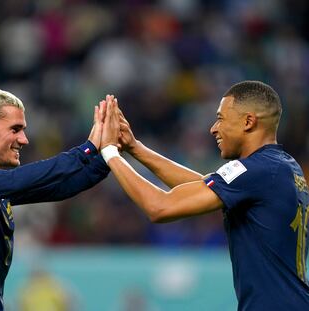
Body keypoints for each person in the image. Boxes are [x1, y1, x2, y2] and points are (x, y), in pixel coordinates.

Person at [99, 81, 309, 310]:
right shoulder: (283, 167)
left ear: (248, 121)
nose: (213, 128)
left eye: (221, 118)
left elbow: (159, 207)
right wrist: (135, 148)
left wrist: (109, 152)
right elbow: (201, 187)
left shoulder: (257, 171)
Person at [0, 87, 110, 310]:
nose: (24, 140)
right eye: (15, 129)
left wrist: (109, 155)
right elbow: (19, 180)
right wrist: (87, 150)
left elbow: (59, 187)